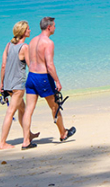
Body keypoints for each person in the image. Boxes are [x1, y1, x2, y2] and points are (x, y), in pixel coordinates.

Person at [20, 17, 76, 150]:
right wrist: (57, 80)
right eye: (54, 26)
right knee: (55, 106)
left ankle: (25, 141)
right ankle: (63, 133)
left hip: (31, 77)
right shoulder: (48, 43)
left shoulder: (32, 41)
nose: (55, 28)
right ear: (49, 27)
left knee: (29, 110)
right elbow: (49, 65)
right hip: (43, 78)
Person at [0, 20, 39, 149]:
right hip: (18, 85)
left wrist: (1, 83)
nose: (30, 30)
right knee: (11, 112)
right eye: (28, 29)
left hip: (8, 84)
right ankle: (2, 143)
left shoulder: (8, 45)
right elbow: (30, 66)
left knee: (22, 108)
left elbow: (3, 65)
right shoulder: (25, 47)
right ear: (23, 32)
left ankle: (29, 134)